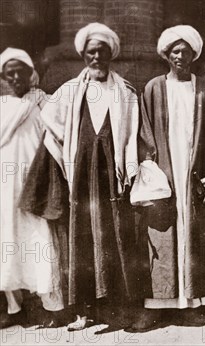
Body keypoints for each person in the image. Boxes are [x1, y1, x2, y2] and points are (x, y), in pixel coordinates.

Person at [26, 23, 143, 331]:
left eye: (102, 52)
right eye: (91, 52)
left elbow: (131, 136)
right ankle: (83, 312)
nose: (96, 58)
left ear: (110, 55)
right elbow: (50, 127)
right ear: (83, 55)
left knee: (112, 238)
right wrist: (65, 160)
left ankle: (115, 309)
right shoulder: (69, 91)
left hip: (111, 178)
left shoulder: (126, 92)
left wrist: (128, 170)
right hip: (80, 178)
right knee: (81, 240)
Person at [132, 25, 205, 331]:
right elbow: (144, 133)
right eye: (175, 51)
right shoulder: (153, 88)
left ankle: (193, 304)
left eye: (185, 51)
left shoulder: (204, 89)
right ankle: (160, 303)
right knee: (162, 235)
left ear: (193, 55)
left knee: (196, 236)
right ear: (166, 55)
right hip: (165, 173)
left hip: (194, 173)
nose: (180, 56)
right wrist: (150, 169)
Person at [0, 48, 64, 328]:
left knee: (39, 241)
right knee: (8, 244)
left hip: (36, 184)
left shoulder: (43, 102)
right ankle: (14, 308)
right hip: (5, 185)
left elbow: (59, 136)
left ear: (30, 73)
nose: (15, 77)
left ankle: (53, 307)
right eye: (9, 73)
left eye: (20, 71)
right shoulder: (1, 107)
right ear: (3, 76)